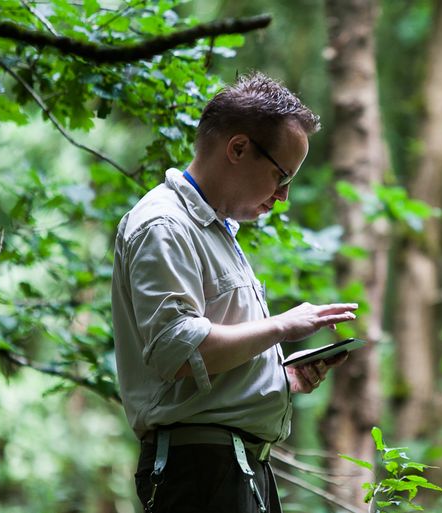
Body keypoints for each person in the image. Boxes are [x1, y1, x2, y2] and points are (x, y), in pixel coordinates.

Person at [111, 72, 358, 513]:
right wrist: (282, 326)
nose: (283, 196)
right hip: (200, 470)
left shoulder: (218, 232)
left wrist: (277, 379)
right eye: (282, 175)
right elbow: (177, 352)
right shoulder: (165, 225)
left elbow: (215, 358)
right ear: (238, 148)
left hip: (237, 469)